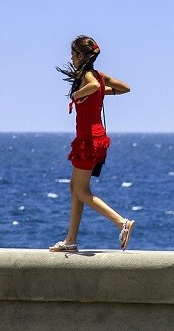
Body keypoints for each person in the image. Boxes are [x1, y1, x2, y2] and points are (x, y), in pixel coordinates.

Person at [49, 35, 135, 252]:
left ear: (80, 55)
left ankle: (121, 222)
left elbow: (94, 85)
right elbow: (125, 88)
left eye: (72, 55)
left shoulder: (89, 77)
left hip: (88, 141)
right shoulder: (97, 76)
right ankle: (71, 240)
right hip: (97, 139)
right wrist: (101, 92)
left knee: (82, 191)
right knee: (75, 188)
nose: (71, 59)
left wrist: (79, 93)